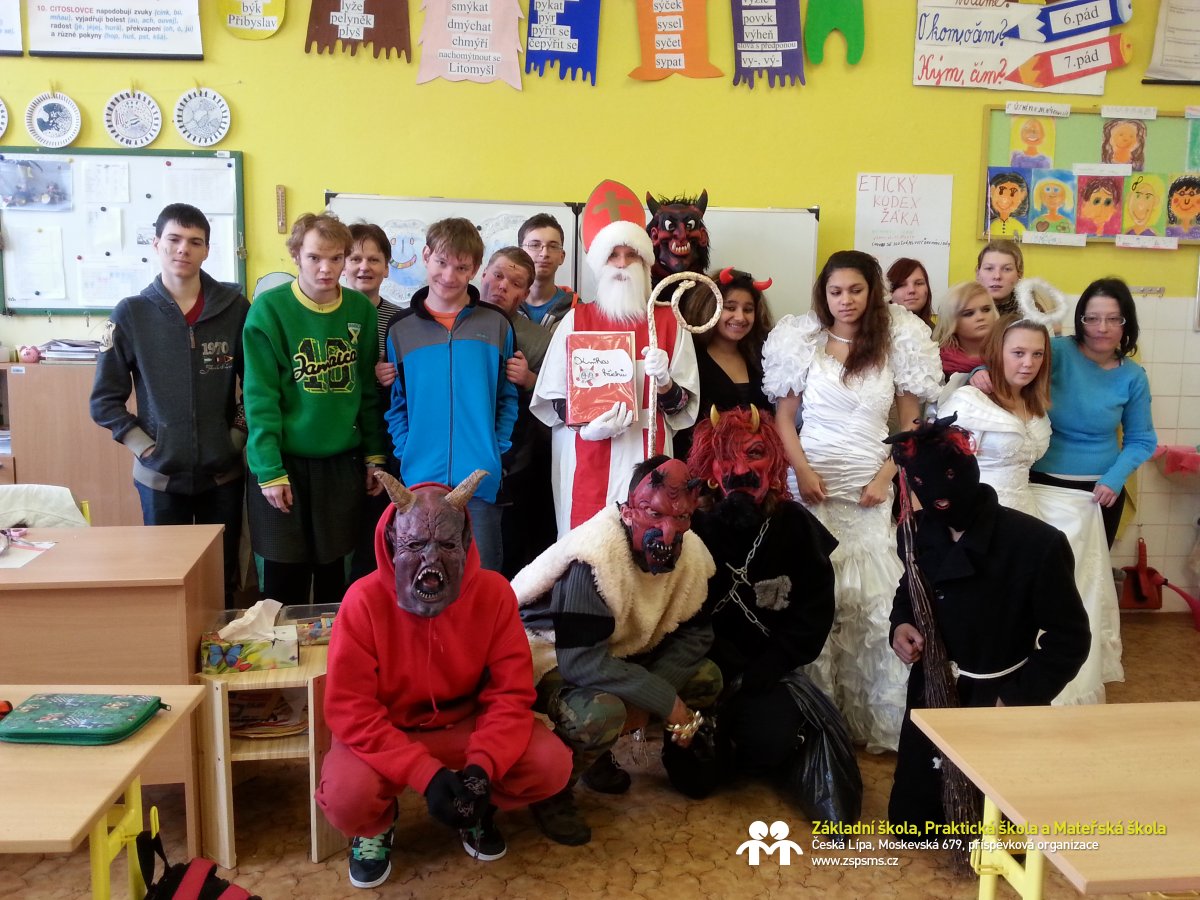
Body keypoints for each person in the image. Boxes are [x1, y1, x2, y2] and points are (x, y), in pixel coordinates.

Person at [316, 470, 572, 889]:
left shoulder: (493, 594)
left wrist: (483, 768)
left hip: (463, 726)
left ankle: (476, 805)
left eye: (447, 545)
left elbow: (509, 694)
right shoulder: (362, 601)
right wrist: (423, 773)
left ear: (467, 543)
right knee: (347, 797)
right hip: (389, 731)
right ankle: (376, 824)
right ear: (390, 543)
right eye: (415, 545)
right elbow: (351, 710)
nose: (430, 561)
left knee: (550, 765)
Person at [762, 249, 941, 752]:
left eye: (856, 290)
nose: (846, 300)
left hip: (869, 485)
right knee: (815, 596)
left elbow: (911, 425)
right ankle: (818, 715)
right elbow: (783, 419)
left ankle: (873, 718)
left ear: (872, 292)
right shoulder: (802, 341)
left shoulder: (897, 342)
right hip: (812, 481)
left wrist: (887, 476)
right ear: (824, 294)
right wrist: (801, 470)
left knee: (873, 601)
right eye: (836, 291)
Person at [885, 416, 1089, 834]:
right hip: (932, 690)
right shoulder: (919, 532)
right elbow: (911, 588)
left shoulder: (1035, 544)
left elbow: (1069, 639)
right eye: (921, 483)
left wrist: (1016, 698)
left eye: (947, 478)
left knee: (992, 822)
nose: (937, 496)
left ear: (969, 470)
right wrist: (901, 624)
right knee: (921, 819)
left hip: (996, 699)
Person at [513, 456, 721, 846]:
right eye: (654, 513)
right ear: (627, 512)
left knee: (706, 676)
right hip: (551, 655)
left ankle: (656, 756)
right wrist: (665, 702)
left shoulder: (692, 551)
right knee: (601, 713)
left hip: (621, 648)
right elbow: (580, 662)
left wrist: (656, 697)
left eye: (681, 517)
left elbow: (697, 634)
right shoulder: (593, 558)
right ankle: (551, 789)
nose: (669, 531)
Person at [687, 406, 862, 825]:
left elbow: (814, 612)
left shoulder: (795, 526)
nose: (740, 470)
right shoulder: (694, 526)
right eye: (726, 457)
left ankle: (758, 740)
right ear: (710, 468)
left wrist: (770, 665)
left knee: (769, 743)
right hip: (702, 672)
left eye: (754, 454)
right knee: (693, 780)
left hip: (766, 673)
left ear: (775, 463)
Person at [90, 203, 249, 604]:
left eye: (195, 242)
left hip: (222, 476)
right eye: (174, 239)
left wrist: (236, 436)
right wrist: (145, 447)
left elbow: (258, 386)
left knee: (221, 580)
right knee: (167, 582)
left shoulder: (235, 310)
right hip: (158, 478)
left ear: (207, 250)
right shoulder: (131, 313)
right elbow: (104, 401)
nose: (183, 249)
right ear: (156, 243)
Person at [531, 179, 700, 536]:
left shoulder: (668, 322)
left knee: (645, 545)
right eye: (613, 255)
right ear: (599, 263)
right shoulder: (575, 321)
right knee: (587, 552)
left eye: (631, 254)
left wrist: (666, 383)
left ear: (645, 261)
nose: (622, 264)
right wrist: (587, 425)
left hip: (648, 458)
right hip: (586, 456)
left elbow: (682, 409)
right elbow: (554, 399)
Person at [242, 213, 387, 606]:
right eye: (314, 258)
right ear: (296, 256)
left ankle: (335, 649)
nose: (326, 268)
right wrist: (269, 470)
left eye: (336, 258)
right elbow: (259, 398)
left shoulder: (360, 310)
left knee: (336, 581)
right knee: (282, 581)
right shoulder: (269, 310)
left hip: (340, 464)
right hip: (284, 464)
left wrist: (375, 456)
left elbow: (366, 391)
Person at [1026, 278, 1156, 704]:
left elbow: (1141, 439)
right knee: (1040, 584)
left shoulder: (1133, 376)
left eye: (1112, 319)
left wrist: (1114, 478)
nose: (1102, 328)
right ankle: (1030, 672)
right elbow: (1010, 365)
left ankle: (1080, 677)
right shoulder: (1056, 352)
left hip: (1099, 494)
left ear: (1126, 324)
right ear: (1079, 320)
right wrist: (978, 374)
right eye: (1092, 318)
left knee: (1084, 587)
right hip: (1040, 485)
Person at [384, 218, 518, 573]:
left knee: (482, 576)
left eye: (461, 267)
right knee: (423, 576)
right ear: (426, 255)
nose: (449, 275)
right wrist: (407, 451)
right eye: (442, 262)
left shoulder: (497, 324)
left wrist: (496, 451)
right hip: (420, 484)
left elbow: (507, 397)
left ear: (475, 269)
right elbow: (396, 403)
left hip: (480, 481)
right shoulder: (400, 330)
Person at [478, 247, 558, 577]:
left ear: (525, 294)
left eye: (515, 283)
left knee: (505, 556)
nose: (502, 286)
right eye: (497, 275)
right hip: (453, 461)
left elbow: (561, 398)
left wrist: (530, 380)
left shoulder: (539, 340)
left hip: (514, 467)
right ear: (483, 273)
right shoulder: (449, 321)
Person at [940, 314, 1052, 516]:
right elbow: (941, 470)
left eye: (1037, 354)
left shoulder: (1035, 405)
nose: (1029, 363)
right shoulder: (970, 401)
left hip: (1025, 512)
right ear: (997, 352)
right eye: (1018, 353)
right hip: (977, 513)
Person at [345, 222, 406, 583]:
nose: (363, 267)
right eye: (354, 258)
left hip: (382, 435)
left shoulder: (400, 320)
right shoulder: (327, 314)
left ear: (386, 267)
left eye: (373, 259)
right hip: (338, 433)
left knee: (375, 531)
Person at [674, 266, 774, 461]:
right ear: (710, 308)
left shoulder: (763, 359)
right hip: (701, 469)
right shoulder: (689, 359)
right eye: (730, 307)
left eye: (748, 309)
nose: (740, 317)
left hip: (755, 469)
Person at [518, 213, 577, 329]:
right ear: (520, 253)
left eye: (553, 246)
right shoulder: (504, 305)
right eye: (535, 245)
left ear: (562, 257)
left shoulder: (577, 310)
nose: (544, 253)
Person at [932, 281, 997, 381]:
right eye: (969, 314)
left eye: (986, 310)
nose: (980, 317)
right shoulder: (935, 361)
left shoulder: (1008, 354)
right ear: (952, 321)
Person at [645, 189, 711, 284]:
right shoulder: (641, 287)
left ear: (702, 236)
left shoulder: (709, 288)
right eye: (670, 226)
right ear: (654, 236)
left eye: (689, 226)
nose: (681, 235)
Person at [974, 239, 1023, 316]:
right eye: (989, 268)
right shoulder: (960, 309)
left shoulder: (1033, 314)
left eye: (1007, 269)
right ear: (978, 273)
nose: (997, 276)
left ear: (1019, 274)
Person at [886, 258, 933, 328]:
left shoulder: (939, 332)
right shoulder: (876, 330)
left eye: (919, 283)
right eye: (902, 285)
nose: (912, 290)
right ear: (889, 290)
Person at [987, 171, 1028, 239]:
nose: (1005, 198)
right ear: (992, 191)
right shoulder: (990, 225)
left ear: (1022, 196)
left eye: (1012, 193)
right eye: (1001, 191)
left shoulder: (1019, 226)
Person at [1165, 174, 1200, 239]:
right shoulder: (1168, 232)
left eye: (1192, 194)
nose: (1186, 200)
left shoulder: (1198, 232)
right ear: (1171, 200)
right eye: (1181, 193)